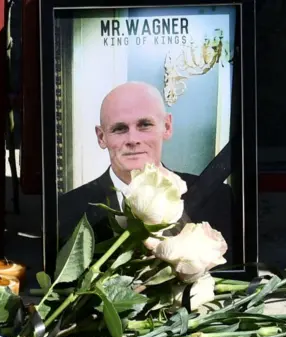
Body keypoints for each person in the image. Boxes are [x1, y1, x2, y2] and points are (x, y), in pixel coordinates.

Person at [58, 81, 234, 261]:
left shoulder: (219, 201)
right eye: (119, 129)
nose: (133, 139)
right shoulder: (64, 211)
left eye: (144, 125)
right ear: (101, 137)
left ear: (167, 127)